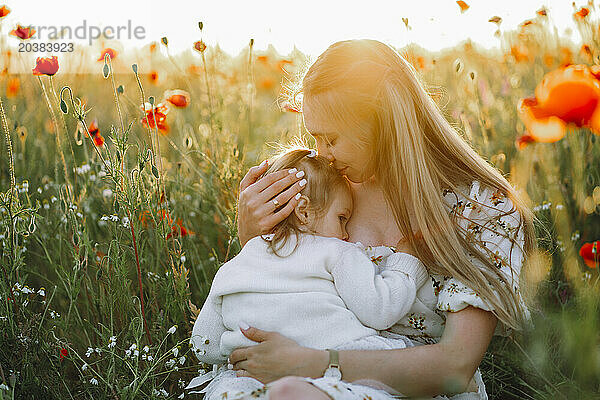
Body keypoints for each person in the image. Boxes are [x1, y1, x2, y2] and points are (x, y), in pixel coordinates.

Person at [224, 39, 536, 400]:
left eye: (331, 138)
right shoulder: (327, 191)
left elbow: (455, 366)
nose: (321, 154)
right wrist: (252, 237)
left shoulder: (481, 208)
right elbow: (277, 299)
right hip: (283, 373)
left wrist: (309, 365)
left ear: (383, 122)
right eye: (315, 138)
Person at [188, 148, 432, 399]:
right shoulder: (337, 251)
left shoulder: (234, 266)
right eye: (341, 218)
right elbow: (380, 310)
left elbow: (204, 345)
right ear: (303, 212)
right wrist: (406, 260)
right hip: (336, 360)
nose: (346, 233)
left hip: (257, 374)